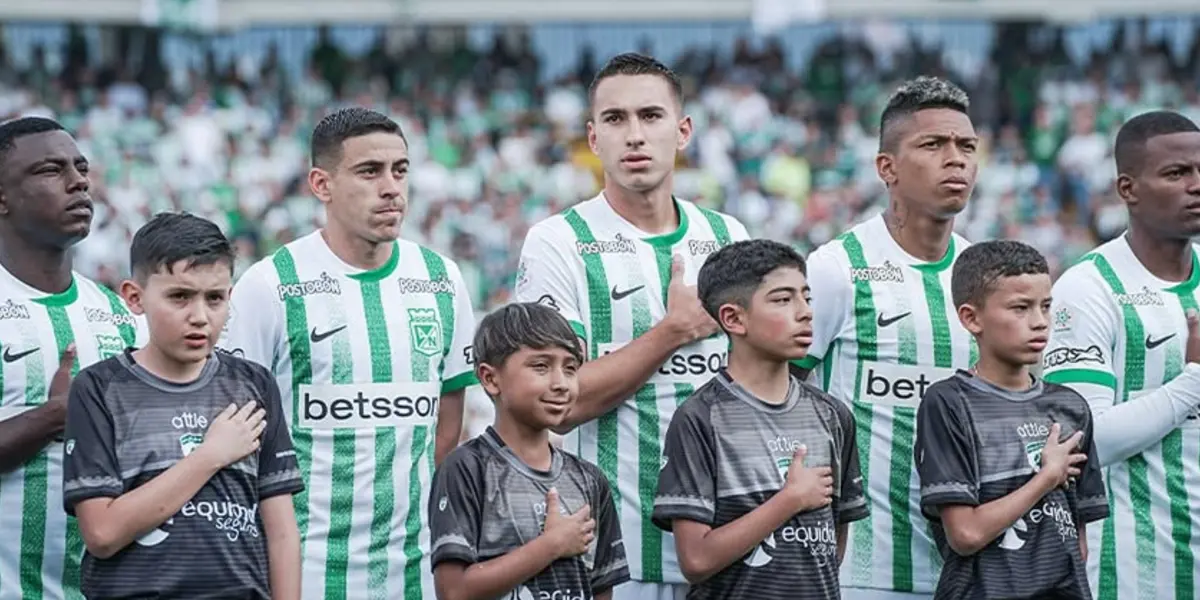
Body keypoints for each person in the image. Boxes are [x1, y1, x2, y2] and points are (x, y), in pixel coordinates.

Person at [514, 52, 750, 600]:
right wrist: (671, 332)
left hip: (730, 551)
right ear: (593, 139)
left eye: (651, 116)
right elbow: (557, 406)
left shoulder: (727, 236)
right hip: (617, 559)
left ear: (683, 131)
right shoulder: (558, 242)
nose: (635, 134)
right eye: (616, 119)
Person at [218, 106, 478, 599]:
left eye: (400, 171)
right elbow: (235, 435)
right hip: (304, 573)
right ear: (322, 184)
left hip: (416, 573)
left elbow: (446, 424)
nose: (391, 188)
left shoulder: (441, 279)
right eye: (369, 171)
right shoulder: (270, 284)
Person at [789, 76, 980, 600]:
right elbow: (773, 393)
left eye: (966, 146)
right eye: (933, 144)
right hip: (860, 570)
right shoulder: (837, 268)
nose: (955, 159)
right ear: (886, 167)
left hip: (968, 571)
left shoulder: (982, 273)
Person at [61, 212, 303, 599]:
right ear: (135, 297)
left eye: (215, 298)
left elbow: (282, 533)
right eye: (179, 297)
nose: (200, 317)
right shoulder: (99, 389)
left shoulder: (254, 385)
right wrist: (209, 456)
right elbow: (102, 534)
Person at [654, 239, 869, 599]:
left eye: (807, 298)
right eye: (783, 300)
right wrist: (789, 500)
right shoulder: (700, 418)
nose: (805, 312)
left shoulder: (833, 415)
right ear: (733, 319)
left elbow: (833, 543)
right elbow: (696, 559)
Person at [1043, 110, 1200, 600]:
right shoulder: (1088, 288)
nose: (1196, 185)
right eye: (1177, 173)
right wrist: (1194, 378)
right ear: (1128, 189)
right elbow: (1083, 444)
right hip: (1132, 571)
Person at [0, 116, 146, 600]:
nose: (78, 181)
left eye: (81, 168)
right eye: (50, 170)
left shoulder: (118, 315)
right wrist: (54, 417)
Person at [915, 240, 1108, 600]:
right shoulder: (950, 402)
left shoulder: (1071, 407)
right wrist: (1046, 478)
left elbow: (1077, 543)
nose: (1039, 322)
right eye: (1021, 308)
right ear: (971, 318)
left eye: (1045, 306)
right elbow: (966, 534)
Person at [428, 302, 630, 600]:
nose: (561, 384)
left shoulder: (590, 480)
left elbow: (600, 590)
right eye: (541, 366)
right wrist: (551, 545)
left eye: (570, 368)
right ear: (490, 378)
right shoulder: (466, 469)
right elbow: (453, 592)